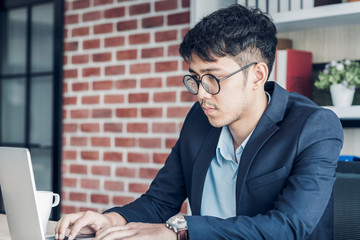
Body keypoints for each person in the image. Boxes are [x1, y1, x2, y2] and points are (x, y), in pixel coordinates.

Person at [55, 4, 343, 240]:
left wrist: (180, 231)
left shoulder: (315, 126)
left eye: (213, 78)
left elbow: (288, 227)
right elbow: (159, 201)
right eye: (195, 78)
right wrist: (108, 220)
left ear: (257, 75)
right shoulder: (200, 120)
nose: (202, 94)